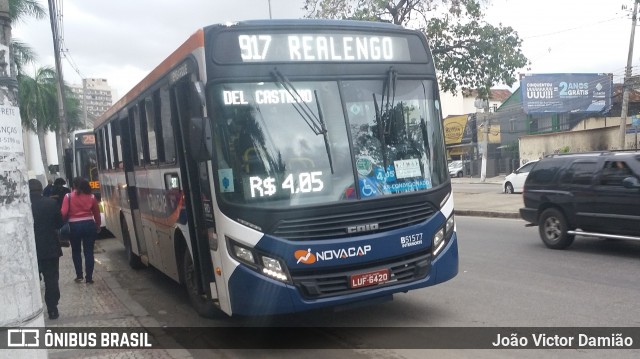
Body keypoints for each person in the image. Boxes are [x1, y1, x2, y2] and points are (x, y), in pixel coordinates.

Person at [29, 179, 63, 320]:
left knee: (33, 280)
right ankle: (52, 308)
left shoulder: (24, 206)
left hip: (31, 251)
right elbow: (59, 223)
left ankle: (32, 310)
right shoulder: (51, 203)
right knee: (51, 279)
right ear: (41, 189)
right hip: (50, 248)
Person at [61, 177, 101, 284]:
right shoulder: (91, 197)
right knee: (89, 252)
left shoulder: (68, 196)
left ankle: (79, 276)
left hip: (74, 226)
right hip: (89, 225)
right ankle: (89, 278)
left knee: (76, 251)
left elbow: (63, 213)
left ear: (74, 185)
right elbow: (96, 213)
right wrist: (98, 225)